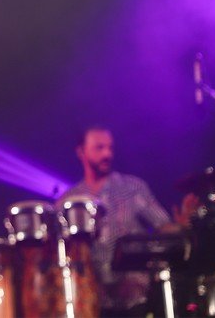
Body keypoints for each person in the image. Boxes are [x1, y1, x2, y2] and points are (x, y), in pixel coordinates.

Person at [59, 125, 180, 316]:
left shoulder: (133, 188)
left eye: (110, 148)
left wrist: (183, 226)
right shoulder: (69, 201)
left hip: (135, 301)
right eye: (99, 148)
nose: (107, 154)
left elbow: (163, 227)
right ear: (81, 152)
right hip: (91, 303)